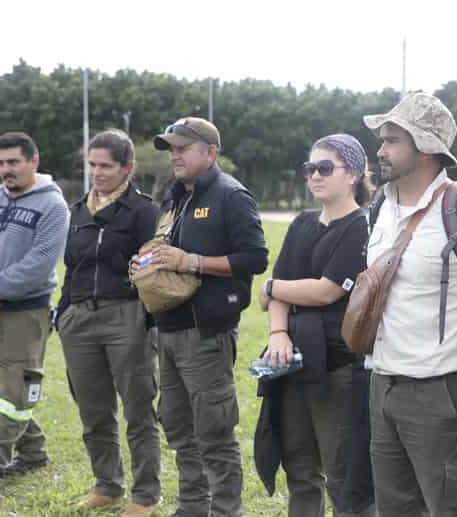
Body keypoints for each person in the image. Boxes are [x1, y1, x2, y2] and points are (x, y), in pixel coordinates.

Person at [361, 93, 457, 516]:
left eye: (392, 139)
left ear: (426, 148)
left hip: (442, 391)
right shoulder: (380, 207)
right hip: (383, 384)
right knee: (394, 507)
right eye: (382, 139)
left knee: (451, 506)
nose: (380, 150)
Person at [130, 117, 268, 517]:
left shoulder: (231, 196)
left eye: (182, 147)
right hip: (169, 328)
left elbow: (255, 258)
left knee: (214, 432)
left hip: (207, 332)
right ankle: (191, 506)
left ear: (209, 152)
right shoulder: (174, 198)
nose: (174, 155)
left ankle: (226, 510)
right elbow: (165, 253)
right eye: (170, 148)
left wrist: (193, 262)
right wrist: (146, 266)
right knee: (176, 425)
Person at [256, 134, 375, 517]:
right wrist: (278, 333)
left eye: (325, 168)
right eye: (310, 168)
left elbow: (326, 290)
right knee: (299, 467)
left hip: (337, 366)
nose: (315, 176)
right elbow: (280, 293)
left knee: (343, 474)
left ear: (354, 174)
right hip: (292, 364)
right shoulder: (302, 223)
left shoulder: (361, 227)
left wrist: (273, 287)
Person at [56, 129, 161, 516]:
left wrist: (145, 317)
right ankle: (108, 485)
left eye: (106, 166)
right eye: (92, 165)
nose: (97, 173)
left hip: (126, 315)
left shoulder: (144, 211)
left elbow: (153, 267)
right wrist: (64, 311)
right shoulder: (78, 209)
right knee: (93, 411)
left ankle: (146, 494)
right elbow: (71, 265)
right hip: (79, 318)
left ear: (127, 168)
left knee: (137, 411)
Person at [0, 132, 69, 502]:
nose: (6, 170)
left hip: (25, 314)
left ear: (33, 160)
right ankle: (34, 450)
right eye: (1, 163)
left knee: (14, 390)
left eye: (14, 162)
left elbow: (40, 263)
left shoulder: (53, 206)